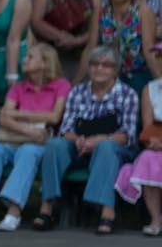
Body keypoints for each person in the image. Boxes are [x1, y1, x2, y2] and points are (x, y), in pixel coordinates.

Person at [32, 44, 138, 234]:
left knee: (106, 147)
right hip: (79, 144)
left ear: (115, 70)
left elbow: (127, 135)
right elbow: (65, 129)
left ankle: (107, 211)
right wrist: (79, 140)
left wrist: (97, 140)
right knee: (54, 145)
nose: (99, 68)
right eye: (95, 64)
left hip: (112, 147)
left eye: (106, 65)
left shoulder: (127, 94)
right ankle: (47, 208)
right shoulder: (77, 92)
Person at [0, 43, 69, 231]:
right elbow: (3, 117)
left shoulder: (61, 85)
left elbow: (55, 117)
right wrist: (29, 129)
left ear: (44, 63)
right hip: (16, 138)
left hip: (41, 144)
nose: (24, 60)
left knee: (28, 151)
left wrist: (18, 114)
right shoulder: (18, 87)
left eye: (30, 57)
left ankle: (13, 212)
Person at [114, 73, 162, 235]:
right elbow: (148, 130)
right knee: (147, 158)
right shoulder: (151, 88)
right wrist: (154, 141)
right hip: (158, 144)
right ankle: (156, 220)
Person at [97, 0, 159, 91]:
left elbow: (149, 50)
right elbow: (91, 47)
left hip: (137, 76)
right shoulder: (100, 12)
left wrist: (159, 80)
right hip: (107, 76)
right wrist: (78, 80)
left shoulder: (143, 11)